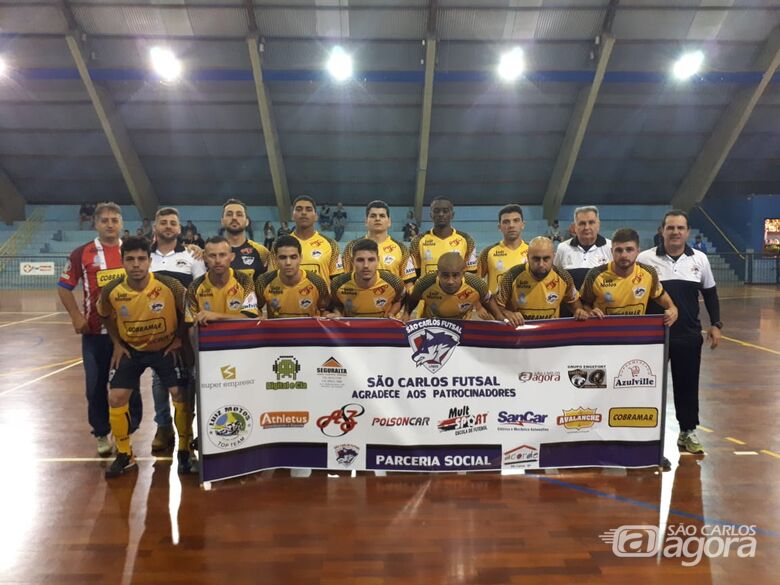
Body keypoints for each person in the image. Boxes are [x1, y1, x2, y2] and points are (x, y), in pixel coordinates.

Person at [96, 236, 194, 477]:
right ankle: (124, 453)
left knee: (179, 394)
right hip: (132, 350)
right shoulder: (112, 289)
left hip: (166, 348)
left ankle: (184, 449)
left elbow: (189, 310)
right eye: (130, 260)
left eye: (141, 259)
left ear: (150, 261)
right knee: (116, 397)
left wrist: (179, 338)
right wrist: (117, 343)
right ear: (122, 262)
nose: (136, 264)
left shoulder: (170, 285)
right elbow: (104, 314)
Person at [57, 202, 143, 456]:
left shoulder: (131, 252)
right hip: (94, 335)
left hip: (128, 335)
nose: (109, 224)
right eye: (104, 220)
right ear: (95, 223)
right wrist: (75, 316)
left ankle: (127, 431)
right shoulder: (81, 253)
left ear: (121, 224)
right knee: (94, 386)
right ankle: (101, 433)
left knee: (130, 385)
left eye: (114, 220)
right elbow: (64, 286)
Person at [638, 210, 722, 455]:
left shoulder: (700, 259)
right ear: (661, 231)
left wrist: (716, 324)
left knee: (687, 386)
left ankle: (688, 431)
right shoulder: (645, 259)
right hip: (653, 337)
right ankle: (647, 435)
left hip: (687, 335)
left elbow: (710, 293)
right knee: (648, 387)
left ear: (687, 232)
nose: (675, 232)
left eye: (680, 228)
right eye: (670, 228)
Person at [148, 207, 206, 452]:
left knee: (190, 380)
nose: (168, 226)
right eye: (163, 222)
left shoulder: (193, 257)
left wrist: (186, 331)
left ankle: (187, 429)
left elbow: (199, 292)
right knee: (158, 380)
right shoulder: (145, 257)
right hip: (154, 330)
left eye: (173, 222)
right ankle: (163, 427)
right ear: (155, 227)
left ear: (180, 229)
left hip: (185, 330)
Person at [579, 228, 678, 327]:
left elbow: (660, 295)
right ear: (611, 251)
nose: (624, 255)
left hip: (634, 336)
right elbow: (583, 303)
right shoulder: (595, 274)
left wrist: (672, 308)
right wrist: (590, 312)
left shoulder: (649, 273)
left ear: (638, 251)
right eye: (618, 250)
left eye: (629, 249)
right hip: (604, 335)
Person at [496, 237, 589, 327]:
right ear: (528, 257)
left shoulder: (564, 277)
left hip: (550, 334)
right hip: (520, 333)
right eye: (536, 259)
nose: (541, 264)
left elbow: (575, 304)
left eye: (546, 259)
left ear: (554, 257)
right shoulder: (512, 276)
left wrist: (579, 311)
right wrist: (508, 313)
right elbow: (496, 307)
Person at [403, 252, 503, 321]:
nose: (450, 281)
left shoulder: (476, 284)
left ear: (463, 273)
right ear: (438, 273)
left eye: (455, 275)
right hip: (433, 323)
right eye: (445, 275)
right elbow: (413, 298)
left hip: (463, 325)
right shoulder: (425, 283)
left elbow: (488, 299)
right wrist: (407, 313)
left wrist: (499, 316)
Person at [186, 236, 259, 326]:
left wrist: (216, 316)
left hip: (239, 338)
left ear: (232, 257)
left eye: (222, 255)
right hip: (208, 339)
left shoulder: (245, 281)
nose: (217, 260)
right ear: (204, 258)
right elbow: (190, 325)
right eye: (212, 255)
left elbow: (251, 317)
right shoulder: (194, 286)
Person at [255, 235, 332, 318]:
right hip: (276, 330)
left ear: (300, 258)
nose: (288, 262)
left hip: (308, 330)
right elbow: (256, 309)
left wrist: (325, 316)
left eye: (293, 257)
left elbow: (326, 310)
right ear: (276, 260)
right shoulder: (263, 282)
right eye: (282, 257)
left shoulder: (317, 282)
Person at [342, 200, 415, 284]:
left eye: (382, 216)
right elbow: (344, 281)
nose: (377, 219)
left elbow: (408, 283)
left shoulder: (402, 249)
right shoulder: (351, 247)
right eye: (373, 216)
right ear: (366, 221)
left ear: (389, 222)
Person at [331, 239, 406, 317]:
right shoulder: (338, 284)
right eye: (360, 260)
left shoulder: (394, 282)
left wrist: (391, 313)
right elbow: (337, 305)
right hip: (352, 328)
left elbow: (398, 301)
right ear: (353, 262)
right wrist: (337, 313)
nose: (366, 265)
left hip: (384, 328)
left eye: (371, 260)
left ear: (378, 260)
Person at [409, 197, 477, 278]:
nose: (441, 214)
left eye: (445, 211)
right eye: (436, 211)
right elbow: (415, 275)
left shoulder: (467, 240)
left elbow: (471, 275)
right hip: (428, 290)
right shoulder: (418, 241)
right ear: (431, 215)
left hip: (457, 290)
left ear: (452, 215)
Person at [281, 195, 343, 283]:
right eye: (299, 209)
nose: (303, 213)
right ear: (292, 216)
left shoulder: (331, 244)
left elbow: (337, 280)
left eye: (308, 209)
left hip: (322, 297)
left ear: (316, 216)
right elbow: (272, 279)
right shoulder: (279, 245)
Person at [554, 206, 613, 290]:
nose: (587, 227)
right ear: (575, 227)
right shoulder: (563, 248)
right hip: (570, 302)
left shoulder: (611, 247)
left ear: (598, 225)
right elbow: (556, 278)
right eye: (582, 223)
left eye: (591, 222)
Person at [477, 204, 529, 294]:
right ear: (499, 227)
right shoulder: (488, 252)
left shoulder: (533, 251)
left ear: (523, 225)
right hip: (496, 307)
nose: (511, 225)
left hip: (525, 306)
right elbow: (475, 283)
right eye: (506, 222)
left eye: (516, 220)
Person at [221, 198, 270, 281]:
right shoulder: (212, 252)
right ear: (222, 221)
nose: (234, 218)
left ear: (247, 221)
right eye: (229, 214)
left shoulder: (262, 252)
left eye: (239, 214)